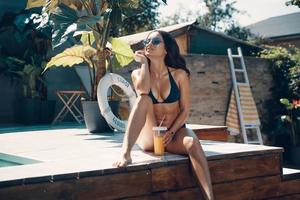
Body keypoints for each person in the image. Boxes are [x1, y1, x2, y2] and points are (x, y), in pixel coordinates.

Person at [113, 30, 214, 200]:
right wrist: (144, 63)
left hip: (173, 135)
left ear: (166, 49)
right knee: (143, 100)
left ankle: (210, 197)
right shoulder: (137, 74)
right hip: (150, 138)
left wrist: (172, 132)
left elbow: (185, 111)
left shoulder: (179, 75)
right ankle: (125, 153)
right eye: (147, 41)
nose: (149, 44)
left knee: (192, 142)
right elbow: (143, 91)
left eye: (155, 41)